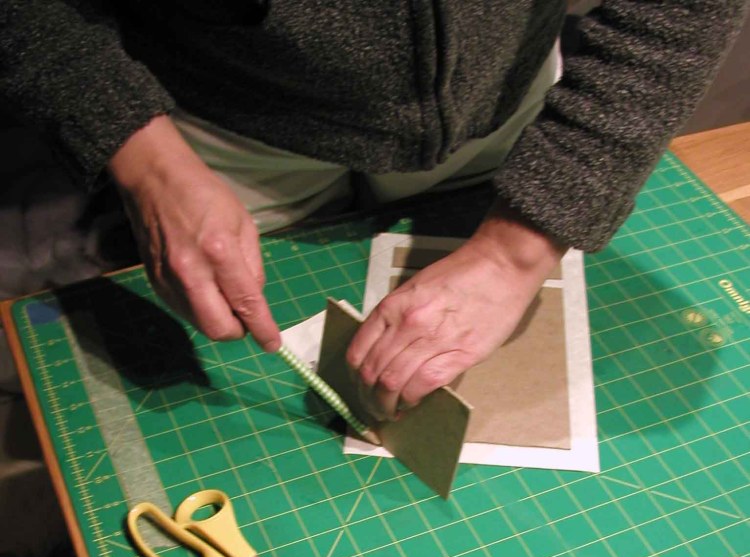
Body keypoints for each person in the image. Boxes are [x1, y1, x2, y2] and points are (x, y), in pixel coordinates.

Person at [1, 1, 747, 421]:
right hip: (218, 123)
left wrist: (516, 247)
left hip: (503, 102)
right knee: (224, 315)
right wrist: (144, 157)